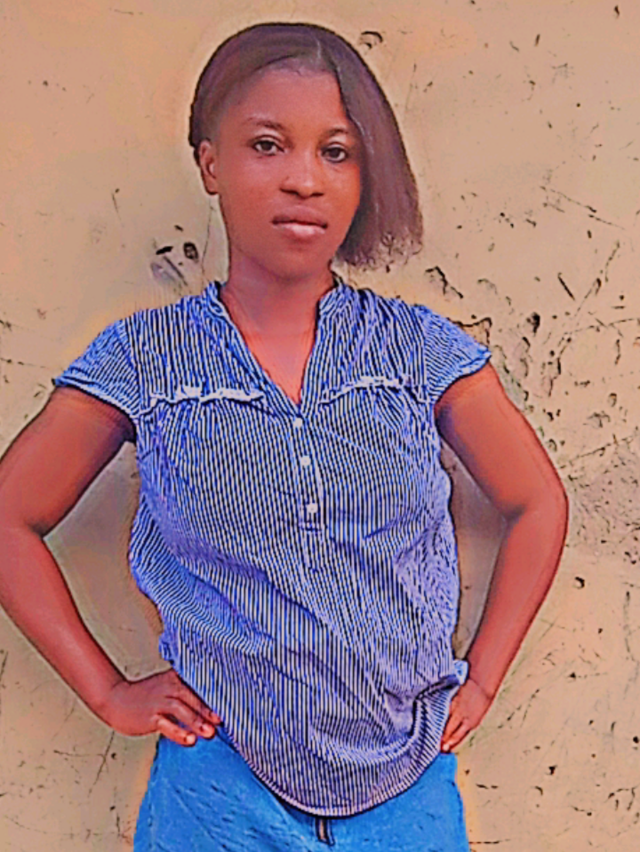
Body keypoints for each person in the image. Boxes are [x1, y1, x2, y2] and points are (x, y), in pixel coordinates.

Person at [0, 22, 568, 852]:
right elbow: (10, 517)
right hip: (220, 787)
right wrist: (108, 692)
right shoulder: (147, 361)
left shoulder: (417, 352)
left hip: (405, 784)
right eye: (267, 145)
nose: (304, 179)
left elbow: (538, 501)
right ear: (210, 164)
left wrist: (481, 680)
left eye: (336, 152)